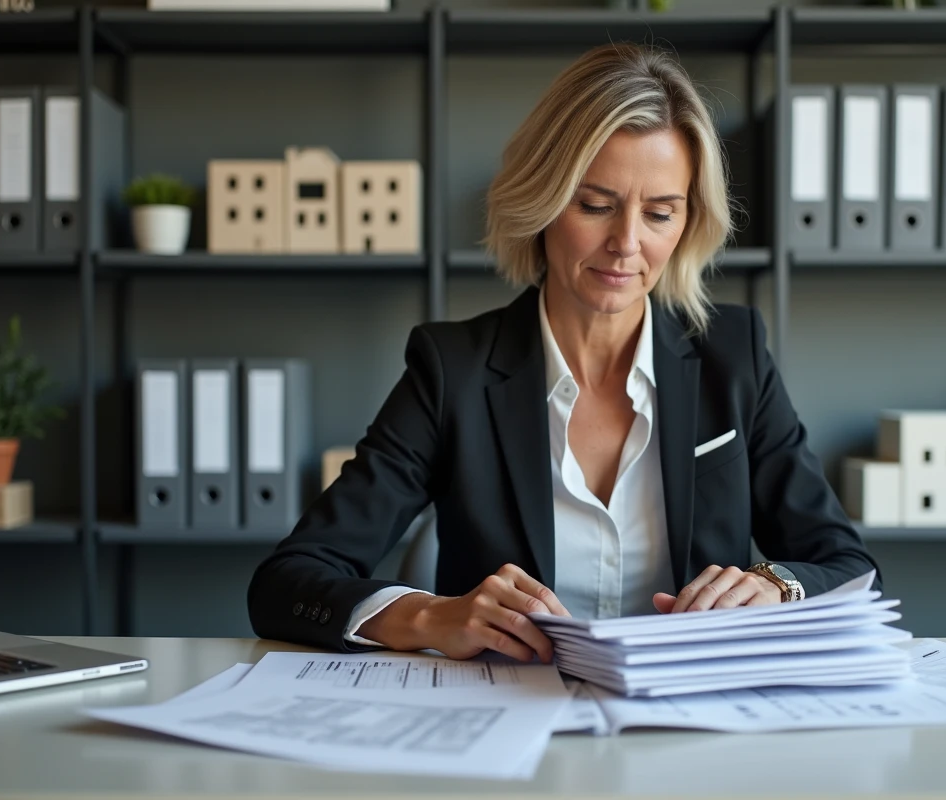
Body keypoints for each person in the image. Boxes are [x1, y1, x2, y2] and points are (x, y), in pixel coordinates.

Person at [247, 42, 881, 663]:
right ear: (543, 202)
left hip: (690, 732)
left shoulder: (734, 357)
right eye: (596, 205)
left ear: (688, 223)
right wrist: (433, 614)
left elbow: (851, 569)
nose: (626, 243)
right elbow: (287, 581)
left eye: (660, 213)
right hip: (511, 728)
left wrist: (778, 585)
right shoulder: (453, 371)